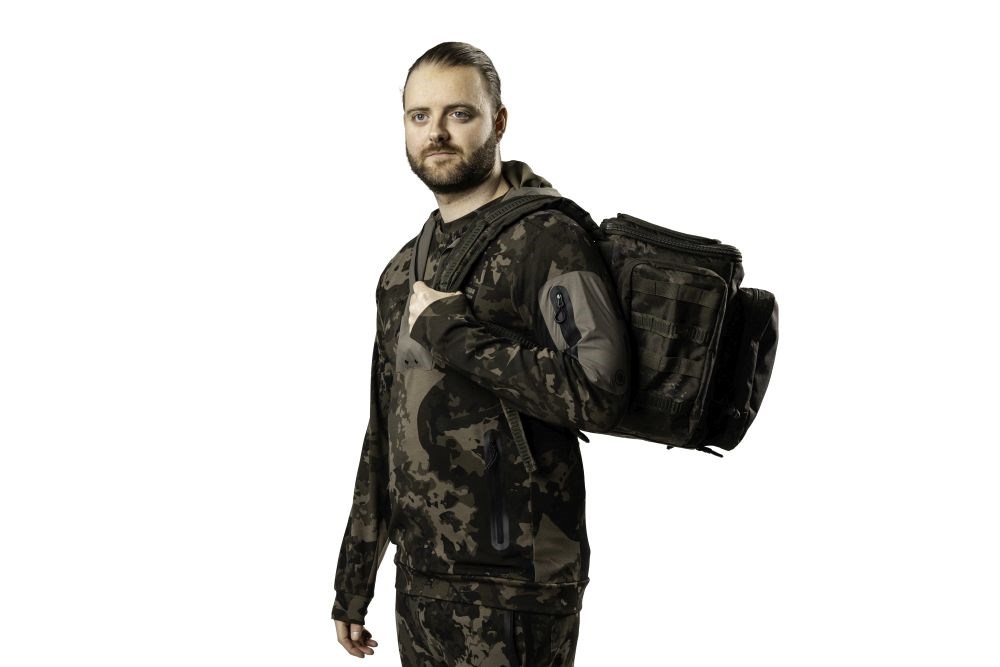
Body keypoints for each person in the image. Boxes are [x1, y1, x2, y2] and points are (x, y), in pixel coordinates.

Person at [331, 41, 631, 666]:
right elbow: (383, 430)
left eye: (459, 113)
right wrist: (354, 579)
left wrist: (456, 335)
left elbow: (600, 390)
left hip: (518, 587)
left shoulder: (548, 239)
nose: (436, 132)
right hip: (421, 582)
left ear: (498, 121)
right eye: (420, 115)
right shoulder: (400, 272)